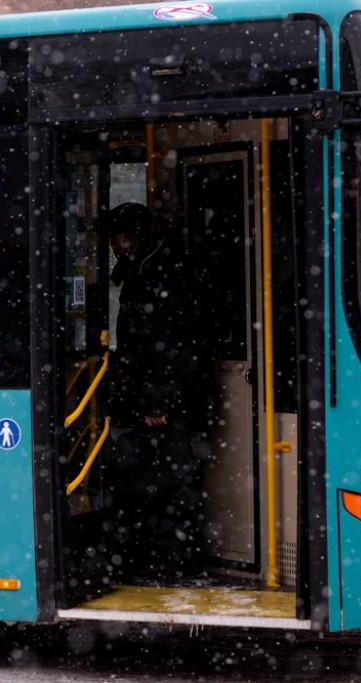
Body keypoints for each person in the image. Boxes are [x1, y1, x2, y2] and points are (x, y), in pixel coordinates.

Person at [106, 202, 214, 581]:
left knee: (159, 486)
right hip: (174, 398)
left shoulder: (153, 275)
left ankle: (167, 563)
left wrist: (155, 403)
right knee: (169, 485)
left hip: (164, 401)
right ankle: (171, 560)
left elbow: (158, 345)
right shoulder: (164, 265)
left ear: (123, 238)